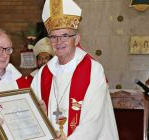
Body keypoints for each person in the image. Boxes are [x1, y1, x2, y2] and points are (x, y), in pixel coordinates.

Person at [31, 0, 119, 140]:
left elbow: (94, 121)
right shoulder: (43, 74)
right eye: (54, 36)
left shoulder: (92, 70)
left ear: (77, 39)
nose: (59, 42)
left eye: (65, 35)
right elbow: (32, 115)